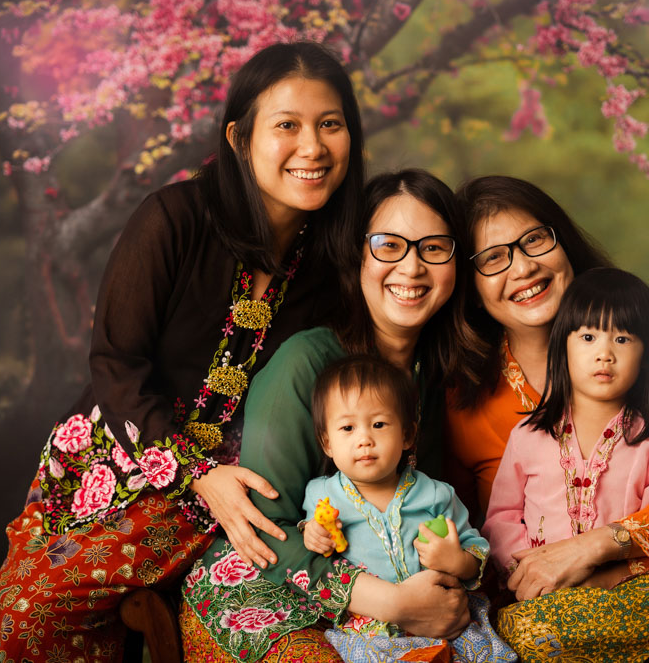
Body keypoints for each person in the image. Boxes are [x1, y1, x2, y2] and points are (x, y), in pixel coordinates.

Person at [0, 41, 366, 661]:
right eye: (287, 126)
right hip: (123, 456)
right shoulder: (174, 217)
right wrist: (196, 473)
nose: (313, 147)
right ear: (239, 137)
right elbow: (116, 363)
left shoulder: (343, 257)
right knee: (30, 612)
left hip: (252, 486)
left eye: (331, 124)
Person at [179, 170, 479, 662]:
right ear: (357, 254)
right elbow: (263, 527)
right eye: (388, 245)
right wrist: (393, 603)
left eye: (433, 247)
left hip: (383, 597)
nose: (411, 267)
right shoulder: (306, 363)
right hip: (265, 581)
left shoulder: (431, 372)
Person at [446, 176, 649, 658]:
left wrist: (600, 548)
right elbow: (463, 522)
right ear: (473, 288)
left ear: (564, 243)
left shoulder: (646, 351)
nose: (522, 266)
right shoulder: (462, 394)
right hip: (533, 608)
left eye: (535, 240)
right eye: (494, 258)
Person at [484, 267, 649, 660]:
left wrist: (608, 579)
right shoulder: (528, 436)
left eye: (622, 338)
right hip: (541, 600)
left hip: (620, 597)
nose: (605, 353)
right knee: (525, 627)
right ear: (563, 346)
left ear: (646, 355)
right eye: (588, 337)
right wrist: (526, 576)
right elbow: (501, 518)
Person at [300, 354, 513, 663]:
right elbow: (310, 540)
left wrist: (457, 560)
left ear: (407, 435)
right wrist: (313, 534)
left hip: (444, 618)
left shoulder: (436, 494)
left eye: (378, 424)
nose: (364, 439)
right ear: (327, 444)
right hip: (371, 629)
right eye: (347, 428)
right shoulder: (322, 495)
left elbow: (475, 552)